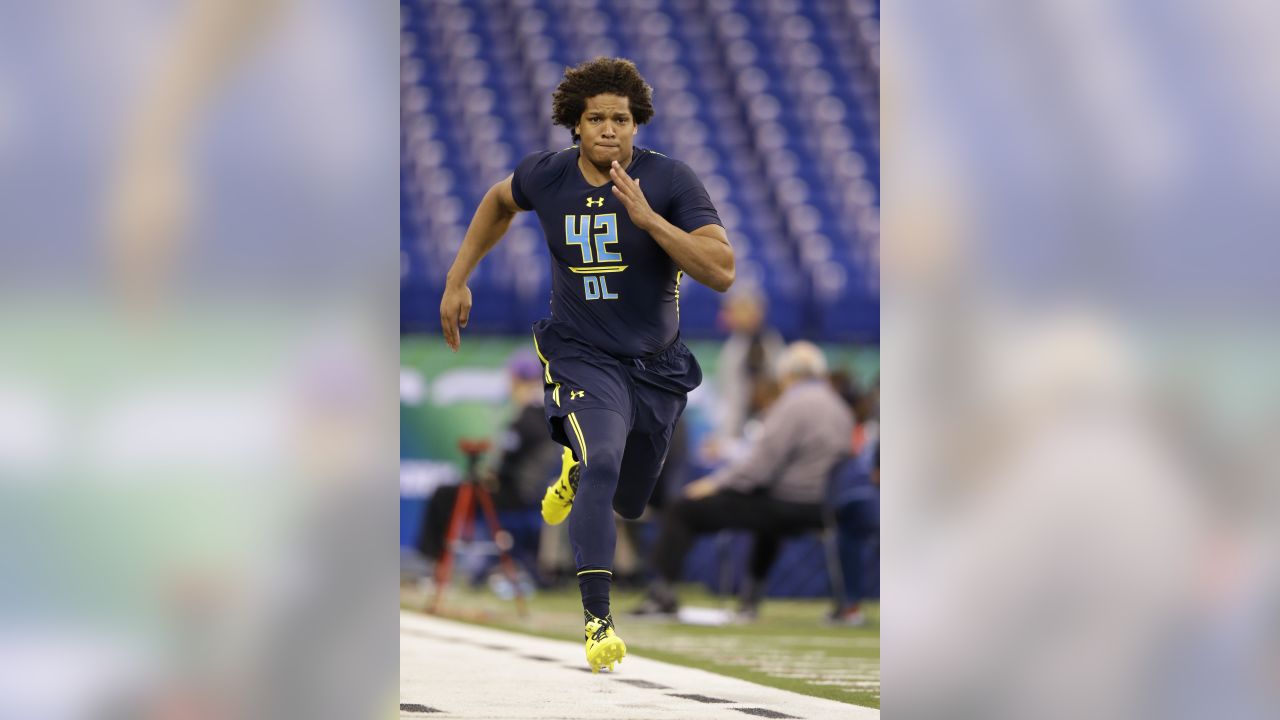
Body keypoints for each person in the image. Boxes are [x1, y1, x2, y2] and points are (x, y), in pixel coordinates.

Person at [439, 57, 734, 672]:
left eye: (620, 119)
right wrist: (458, 277)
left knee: (627, 500)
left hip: (655, 366)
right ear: (575, 125)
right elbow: (498, 200)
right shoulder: (546, 177)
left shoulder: (672, 179)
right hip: (581, 354)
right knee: (602, 458)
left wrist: (650, 220)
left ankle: (573, 475)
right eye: (595, 118)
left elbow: (721, 269)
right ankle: (598, 623)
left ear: (636, 125)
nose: (608, 129)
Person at [634, 341, 853, 618]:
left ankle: (661, 593)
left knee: (684, 508)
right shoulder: (839, 407)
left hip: (790, 504)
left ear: (788, 375)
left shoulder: (795, 403)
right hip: (823, 506)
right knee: (767, 519)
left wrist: (713, 484)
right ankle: (751, 596)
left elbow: (759, 466)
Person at [414, 351, 560, 570]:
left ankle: (433, 563)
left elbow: (507, 463)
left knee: (443, 494)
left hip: (513, 493)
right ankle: (438, 562)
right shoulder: (548, 410)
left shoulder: (528, 415)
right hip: (529, 491)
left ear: (516, 380)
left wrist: (492, 475)